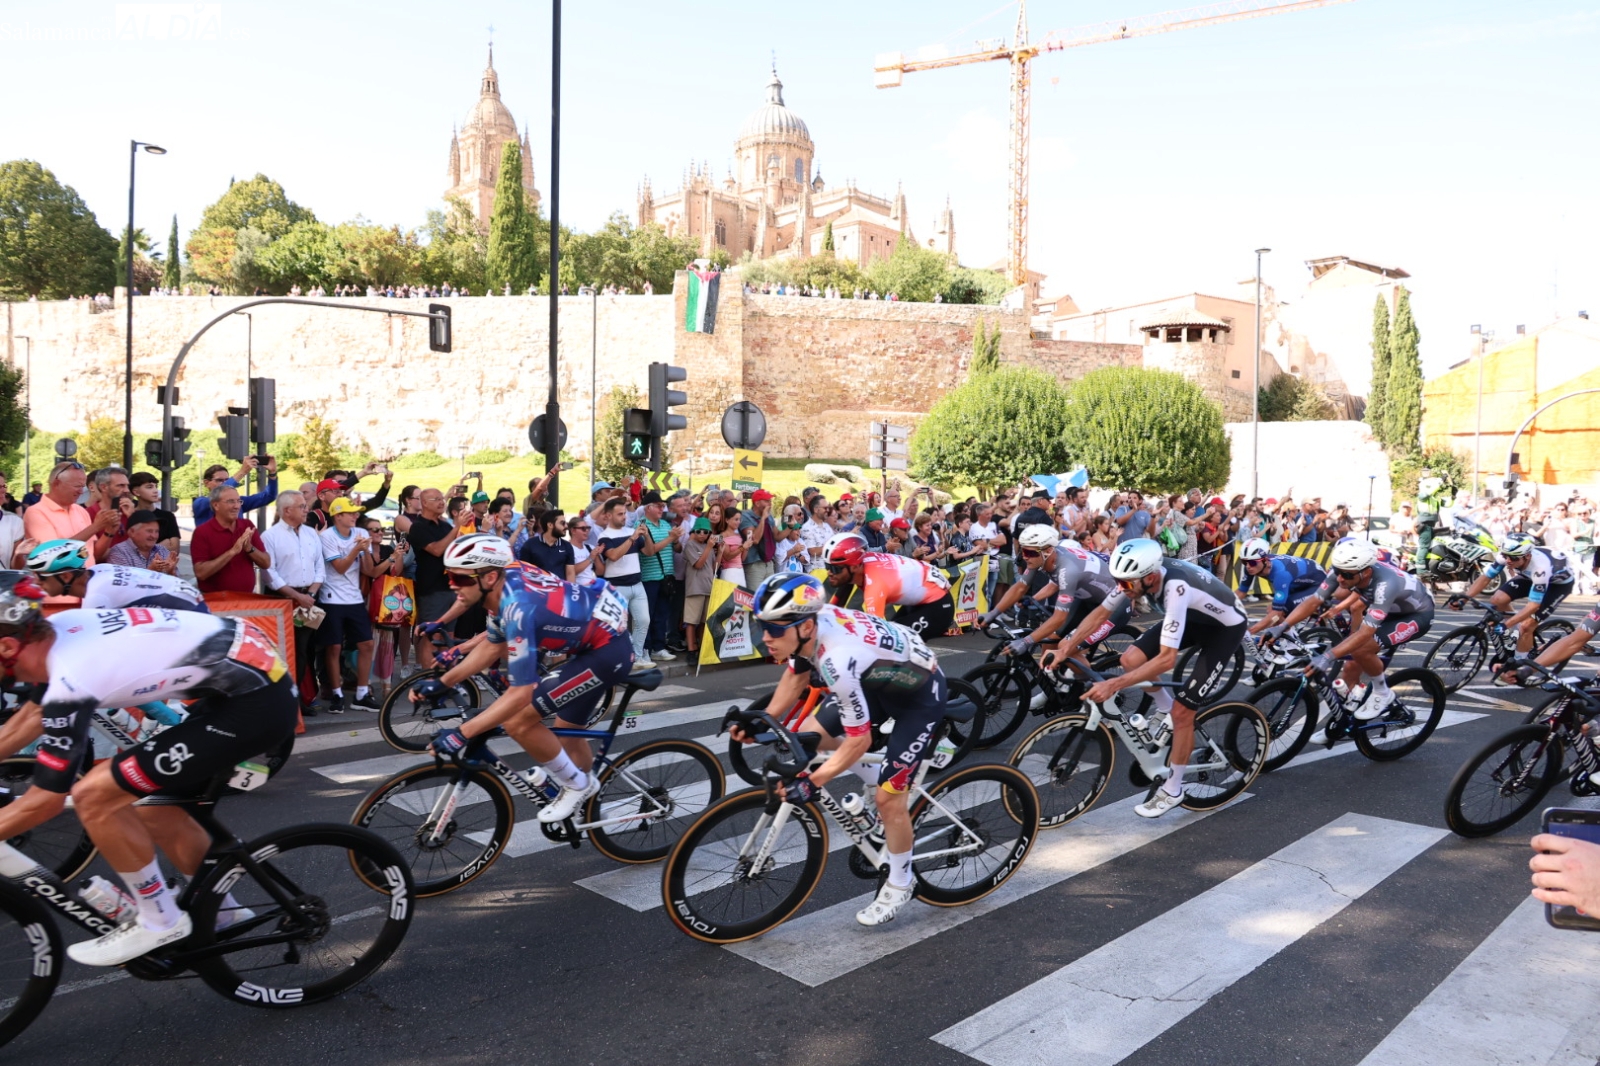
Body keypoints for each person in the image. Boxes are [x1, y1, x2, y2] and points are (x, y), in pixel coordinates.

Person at [0, 571, 296, 965]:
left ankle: (160, 920)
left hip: (254, 702)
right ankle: (223, 909)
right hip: (239, 679)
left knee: (94, 794)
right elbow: (29, 718)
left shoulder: (72, 677)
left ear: (6, 645)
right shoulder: (55, 635)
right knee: (155, 806)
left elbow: (45, 802)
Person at [736, 572, 949, 926]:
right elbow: (797, 675)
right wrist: (758, 719)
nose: (766, 637)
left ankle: (901, 881)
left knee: (888, 801)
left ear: (805, 627)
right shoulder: (812, 629)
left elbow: (859, 740)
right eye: (763, 626)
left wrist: (813, 782)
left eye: (774, 629)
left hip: (919, 698)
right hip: (880, 679)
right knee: (809, 735)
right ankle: (871, 776)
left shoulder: (837, 658)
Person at [420, 535, 634, 823]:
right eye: (449, 575)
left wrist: (463, 732)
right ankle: (588, 798)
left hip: (607, 650)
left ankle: (577, 785)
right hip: (596, 633)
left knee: (517, 720)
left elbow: (520, 694)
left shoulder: (519, 608)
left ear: (490, 577)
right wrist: (444, 682)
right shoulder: (504, 582)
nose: (452, 584)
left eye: (459, 577)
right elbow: (493, 644)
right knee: (567, 734)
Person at [1043, 538, 1250, 819]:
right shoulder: (1134, 579)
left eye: (1126, 584)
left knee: (1183, 712)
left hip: (1224, 628)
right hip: (1192, 617)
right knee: (1130, 659)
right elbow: (1100, 613)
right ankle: (1164, 709)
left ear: (1150, 576)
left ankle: (1174, 789)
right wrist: (1064, 649)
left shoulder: (1175, 587)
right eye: (1118, 581)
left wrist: (1112, 684)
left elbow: (1166, 659)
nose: (1121, 587)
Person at [1265, 537, 1435, 721]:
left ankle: (1383, 694)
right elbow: (1314, 600)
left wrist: (1328, 656)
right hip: (1390, 609)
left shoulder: (1386, 584)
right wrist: (1283, 626)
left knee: (1361, 647)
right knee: (1351, 664)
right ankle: (1343, 720)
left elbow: (1365, 633)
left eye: (1346, 575)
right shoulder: (1345, 570)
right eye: (1337, 572)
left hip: (1417, 615)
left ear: (1366, 572)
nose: (1339, 578)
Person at [996, 527, 1130, 670]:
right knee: (1049, 636)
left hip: (1115, 605)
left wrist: (1026, 642)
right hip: (1089, 600)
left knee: (1066, 647)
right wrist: (1032, 599)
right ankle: (1052, 683)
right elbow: (1053, 585)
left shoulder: (1069, 565)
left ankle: (1096, 686)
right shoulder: (1059, 560)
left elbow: (1126, 584)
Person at [1451, 533, 1574, 656]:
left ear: (1527, 556)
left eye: (1514, 558)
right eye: (1506, 556)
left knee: (1526, 626)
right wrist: (1464, 599)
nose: (1508, 561)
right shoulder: (1507, 556)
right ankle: (1515, 636)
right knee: (1497, 599)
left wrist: (1506, 625)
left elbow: (1533, 605)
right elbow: (1485, 578)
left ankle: (1518, 665)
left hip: (1557, 585)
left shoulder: (1540, 568)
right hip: (1529, 577)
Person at [260, 489, 326, 717]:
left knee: (303, 651)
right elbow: (270, 574)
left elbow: (320, 567)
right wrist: (297, 597)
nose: (307, 510)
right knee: (284, 651)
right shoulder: (271, 536)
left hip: (309, 598)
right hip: (283, 599)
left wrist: (311, 593)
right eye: (302, 506)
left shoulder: (310, 534)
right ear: (287, 510)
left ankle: (297, 700)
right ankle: (283, 702)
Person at [821, 531, 954, 637]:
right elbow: (838, 603)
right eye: (827, 566)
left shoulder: (875, 585)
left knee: (896, 641)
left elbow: (877, 634)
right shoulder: (860, 564)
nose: (829, 572)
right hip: (921, 600)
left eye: (835, 569)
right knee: (895, 638)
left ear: (855, 567)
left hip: (938, 605)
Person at [317, 498, 380, 711]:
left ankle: (362, 693)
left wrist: (367, 551)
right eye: (350, 512)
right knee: (334, 646)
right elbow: (340, 568)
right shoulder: (327, 537)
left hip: (354, 597)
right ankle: (336, 693)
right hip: (331, 598)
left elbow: (369, 571)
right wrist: (357, 549)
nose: (355, 515)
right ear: (338, 516)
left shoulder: (360, 533)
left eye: (356, 512)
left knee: (367, 644)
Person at [24, 539, 205, 610]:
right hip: (186, 601)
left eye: (40, 576)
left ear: (64, 576)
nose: (36, 582)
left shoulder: (97, 595)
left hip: (188, 611)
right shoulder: (97, 571)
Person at [407, 487, 468, 667]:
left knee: (448, 636)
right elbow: (436, 549)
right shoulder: (417, 528)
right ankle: (429, 679)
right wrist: (457, 527)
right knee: (431, 636)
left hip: (451, 586)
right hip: (432, 589)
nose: (442, 502)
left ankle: (445, 680)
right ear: (424, 503)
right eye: (436, 499)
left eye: (442, 498)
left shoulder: (445, 526)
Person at [594, 497, 651, 669]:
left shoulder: (630, 531)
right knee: (620, 626)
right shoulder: (604, 536)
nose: (624, 517)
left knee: (643, 621)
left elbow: (649, 552)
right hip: (617, 586)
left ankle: (637, 657)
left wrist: (646, 536)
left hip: (637, 584)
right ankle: (626, 658)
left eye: (624, 513)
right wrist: (633, 538)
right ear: (609, 516)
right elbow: (613, 556)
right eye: (619, 514)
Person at [188, 485, 271, 595]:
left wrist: (249, 548)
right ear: (216, 505)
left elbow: (266, 563)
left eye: (238, 501)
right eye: (231, 502)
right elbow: (201, 573)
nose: (237, 506)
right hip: (216, 602)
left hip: (247, 599)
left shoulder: (247, 526)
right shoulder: (202, 532)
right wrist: (232, 552)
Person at [1238, 538, 1327, 634]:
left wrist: (1249, 632)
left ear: (1265, 560)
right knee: (1274, 613)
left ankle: (1291, 641)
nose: (1248, 566)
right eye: (1244, 562)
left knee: (1275, 611)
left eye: (1252, 563)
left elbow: (1276, 613)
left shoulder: (1280, 573)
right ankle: (1288, 635)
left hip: (1316, 583)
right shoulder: (1251, 567)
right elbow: (1241, 592)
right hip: (1298, 582)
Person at [24, 461, 117, 553]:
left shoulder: (81, 511)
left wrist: (108, 532)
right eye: (77, 486)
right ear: (57, 484)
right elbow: (53, 552)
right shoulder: (35, 512)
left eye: (82, 486)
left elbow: (93, 554)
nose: (81, 491)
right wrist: (95, 527)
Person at [191, 459, 279, 525]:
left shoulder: (238, 502)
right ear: (207, 483)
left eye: (226, 480)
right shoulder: (200, 503)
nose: (224, 483)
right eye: (219, 480)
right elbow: (221, 493)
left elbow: (269, 496)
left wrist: (272, 473)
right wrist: (242, 472)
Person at [105, 512, 178, 573]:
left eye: (157, 531)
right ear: (132, 532)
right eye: (149, 531)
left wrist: (171, 572)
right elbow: (125, 585)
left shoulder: (161, 550)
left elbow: (177, 584)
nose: (154, 536)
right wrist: (151, 570)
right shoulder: (119, 552)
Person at [128, 472, 181, 556]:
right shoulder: (130, 515)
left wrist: (143, 550)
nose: (155, 491)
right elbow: (128, 550)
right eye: (149, 487)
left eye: (156, 486)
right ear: (136, 492)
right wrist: (160, 546)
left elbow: (174, 550)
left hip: (163, 567)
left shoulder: (168, 516)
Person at [520, 509, 575, 579]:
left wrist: (570, 589)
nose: (566, 526)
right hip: (538, 588)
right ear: (550, 525)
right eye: (562, 523)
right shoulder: (530, 545)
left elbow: (570, 574)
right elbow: (523, 572)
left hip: (560, 588)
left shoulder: (567, 546)